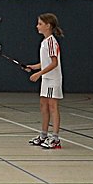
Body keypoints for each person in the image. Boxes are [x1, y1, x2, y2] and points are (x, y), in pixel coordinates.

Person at [26, 13, 64, 149]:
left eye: (40, 24)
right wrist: (33, 67)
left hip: (53, 79)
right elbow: (45, 62)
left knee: (53, 107)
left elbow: (54, 63)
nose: (37, 26)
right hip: (46, 79)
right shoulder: (44, 42)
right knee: (43, 106)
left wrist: (38, 74)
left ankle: (55, 139)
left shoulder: (52, 42)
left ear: (48, 26)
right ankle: (43, 135)